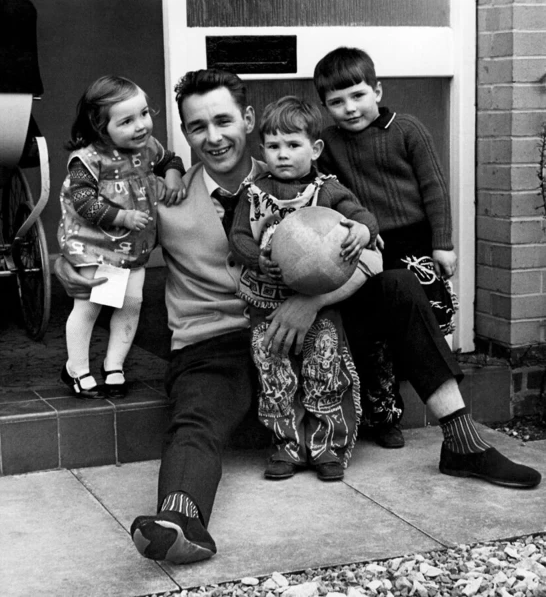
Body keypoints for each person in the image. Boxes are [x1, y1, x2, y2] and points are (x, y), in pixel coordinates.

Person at [54, 68, 541, 567]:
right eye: (198, 127)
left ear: (247, 120)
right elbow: (117, 250)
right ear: (184, 133)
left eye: (223, 120)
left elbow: (371, 255)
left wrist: (311, 303)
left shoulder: (302, 176)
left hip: (310, 325)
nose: (214, 137)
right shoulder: (164, 196)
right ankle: (180, 518)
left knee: (397, 286)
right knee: (196, 413)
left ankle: (462, 440)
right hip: (214, 338)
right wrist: (81, 271)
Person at [229, 95, 383, 482]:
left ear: (314, 149)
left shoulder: (326, 191)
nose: (283, 154)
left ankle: (327, 445)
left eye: (293, 145)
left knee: (323, 368)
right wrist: (254, 257)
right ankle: (286, 445)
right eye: (274, 146)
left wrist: (363, 231)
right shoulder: (253, 193)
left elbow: (363, 217)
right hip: (267, 303)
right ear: (262, 149)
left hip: (318, 304)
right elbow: (239, 237)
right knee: (275, 372)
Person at [313, 46, 459, 449]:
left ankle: (438, 404)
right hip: (367, 247)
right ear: (325, 106)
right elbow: (324, 194)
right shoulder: (327, 143)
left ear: (377, 90)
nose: (350, 108)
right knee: (375, 338)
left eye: (358, 95)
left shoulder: (407, 129)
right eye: (336, 102)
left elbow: (435, 189)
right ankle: (384, 415)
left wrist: (442, 244)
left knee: (421, 327)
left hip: (414, 243)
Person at [57, 75, 185, 398]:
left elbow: (169, 159)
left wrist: (172, 175)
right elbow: (83, 200)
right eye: (126, 121)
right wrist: (123, 216)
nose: (141, 125)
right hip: (98, 248)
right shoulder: (88, 159)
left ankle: (114, 365)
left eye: (144, 113)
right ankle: (77, 368)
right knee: (92, 305)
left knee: (132, 303)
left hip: (134, 248)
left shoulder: (147, 148)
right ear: (101, 128)